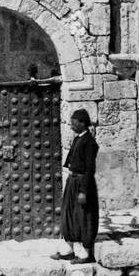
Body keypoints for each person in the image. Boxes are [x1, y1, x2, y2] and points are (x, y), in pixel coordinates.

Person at [56, 108, 99, 264]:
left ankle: (85, 254)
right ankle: (68, 250)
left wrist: (83, 191)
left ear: (82, 123)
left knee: (84, 217)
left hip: (81, 183)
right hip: (73, 181)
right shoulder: (78, 139)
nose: (72, 126)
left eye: (74, 123)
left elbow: (90, 169)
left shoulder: (89, 142)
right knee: (69, 214)